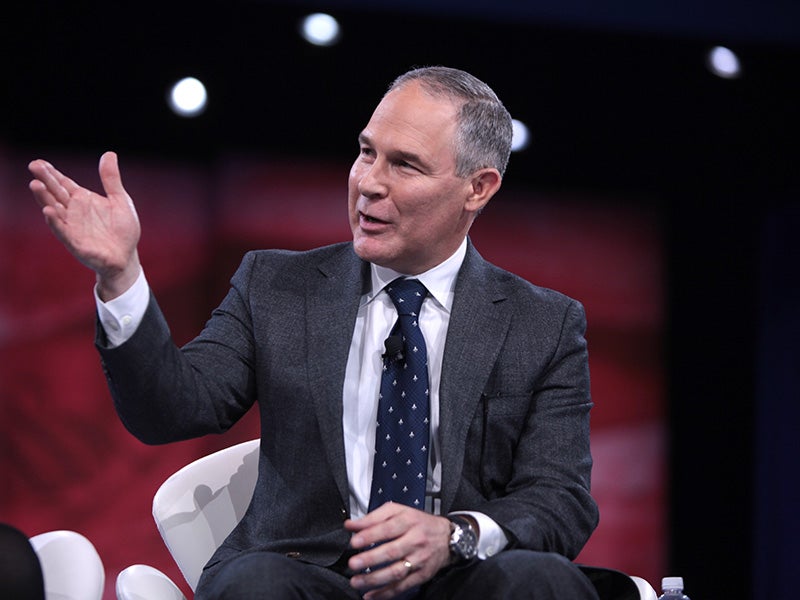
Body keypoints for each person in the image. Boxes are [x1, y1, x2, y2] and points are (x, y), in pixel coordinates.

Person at [29, 66, 625, 599]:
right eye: (366, 153)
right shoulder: (277, 286)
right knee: (253, 585)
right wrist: (120, 277)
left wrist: (454, 534)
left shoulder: (542, 323)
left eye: (405, 165)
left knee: (541, 580)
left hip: (461, 579)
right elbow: (172, 408)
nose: (369, 183)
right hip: (306, 576)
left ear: (479, 188)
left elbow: (559, 500)